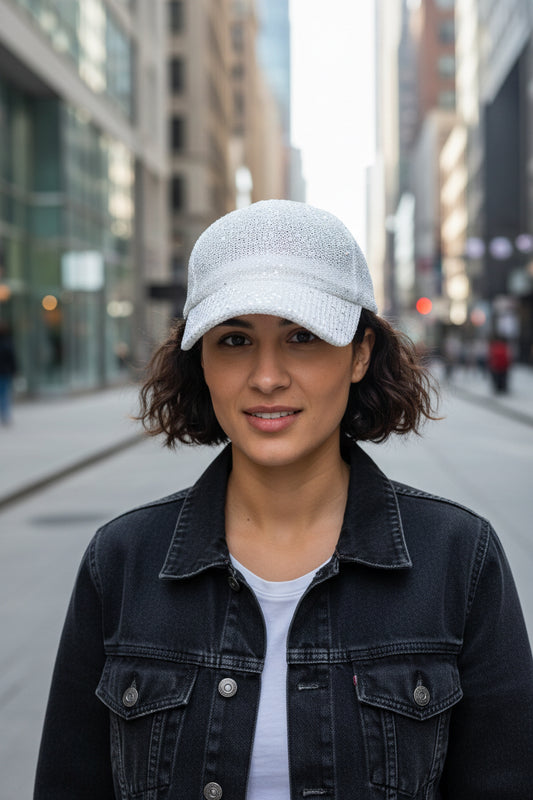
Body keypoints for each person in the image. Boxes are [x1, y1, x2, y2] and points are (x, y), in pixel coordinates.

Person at [34, 200, 533, 799]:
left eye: (303, 336)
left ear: (360, 353)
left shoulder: (459, 558)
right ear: (203, 363)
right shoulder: (120, 560)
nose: (267, 376)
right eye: (236, 339)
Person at [0, 320, 16, 425]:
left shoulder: (7, 342)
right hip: (5, 372)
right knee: (4, 394)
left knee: (4, 394)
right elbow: (12, 358)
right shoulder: (7, 342)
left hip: (5, 372)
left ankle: (5, 414)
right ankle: (5, 414)